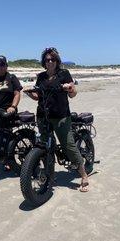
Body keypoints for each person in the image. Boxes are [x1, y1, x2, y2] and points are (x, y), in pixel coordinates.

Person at [24, 47, 89, 192]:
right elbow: (38, 97)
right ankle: (50, 174)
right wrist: (28, 92)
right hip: (43, 116)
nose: (50, 62)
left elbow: (73, 94)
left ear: (57, 61)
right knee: (46, 146)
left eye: (53, 59)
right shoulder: (41, 76)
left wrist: (70, 89)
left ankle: (84, 175)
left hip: (60, 116)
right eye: (47, 60)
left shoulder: (64, 74)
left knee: (68, 145)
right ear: (44, 62)